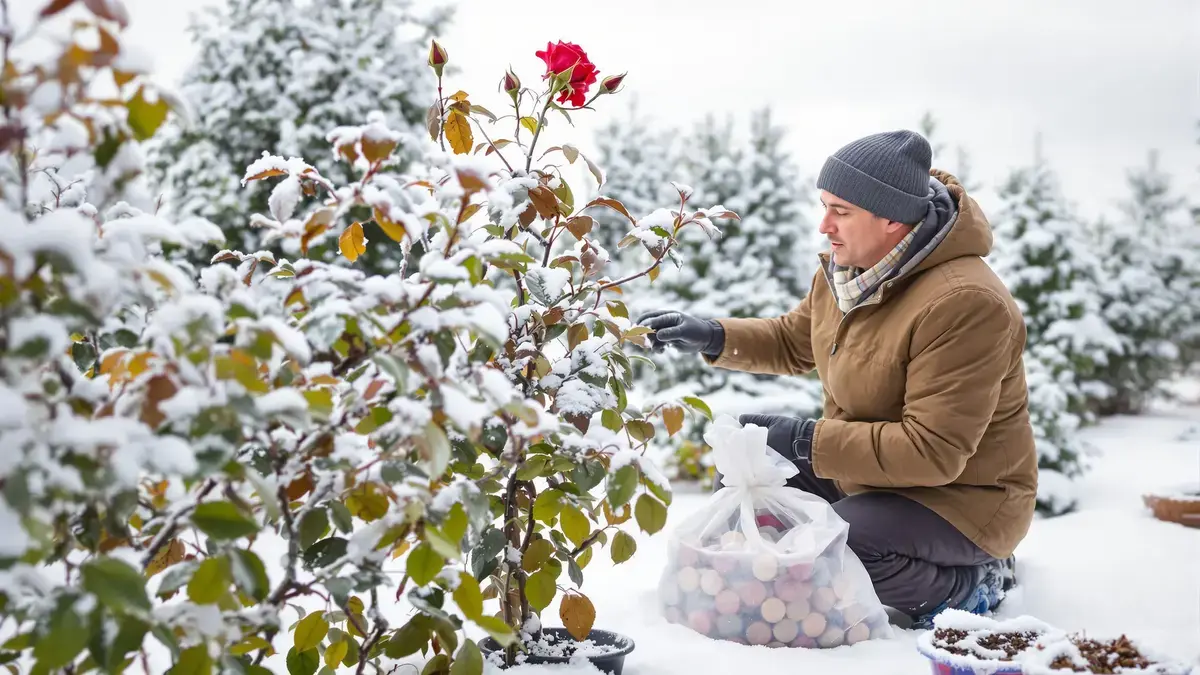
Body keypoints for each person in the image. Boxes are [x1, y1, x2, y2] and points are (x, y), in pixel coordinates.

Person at [636, 130, 1037, 629]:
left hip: (964, 500)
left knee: (842, 542)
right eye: (824, 206)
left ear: (892, 217)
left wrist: (805, 441)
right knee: (751, 452)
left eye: (840, 211)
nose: (824, 225)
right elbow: (794, 340)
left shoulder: (965, 303)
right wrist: (712, 335)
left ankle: (972, 584)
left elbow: (934, 451)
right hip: (872, 475)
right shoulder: (849, 271)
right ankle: (746, 580)